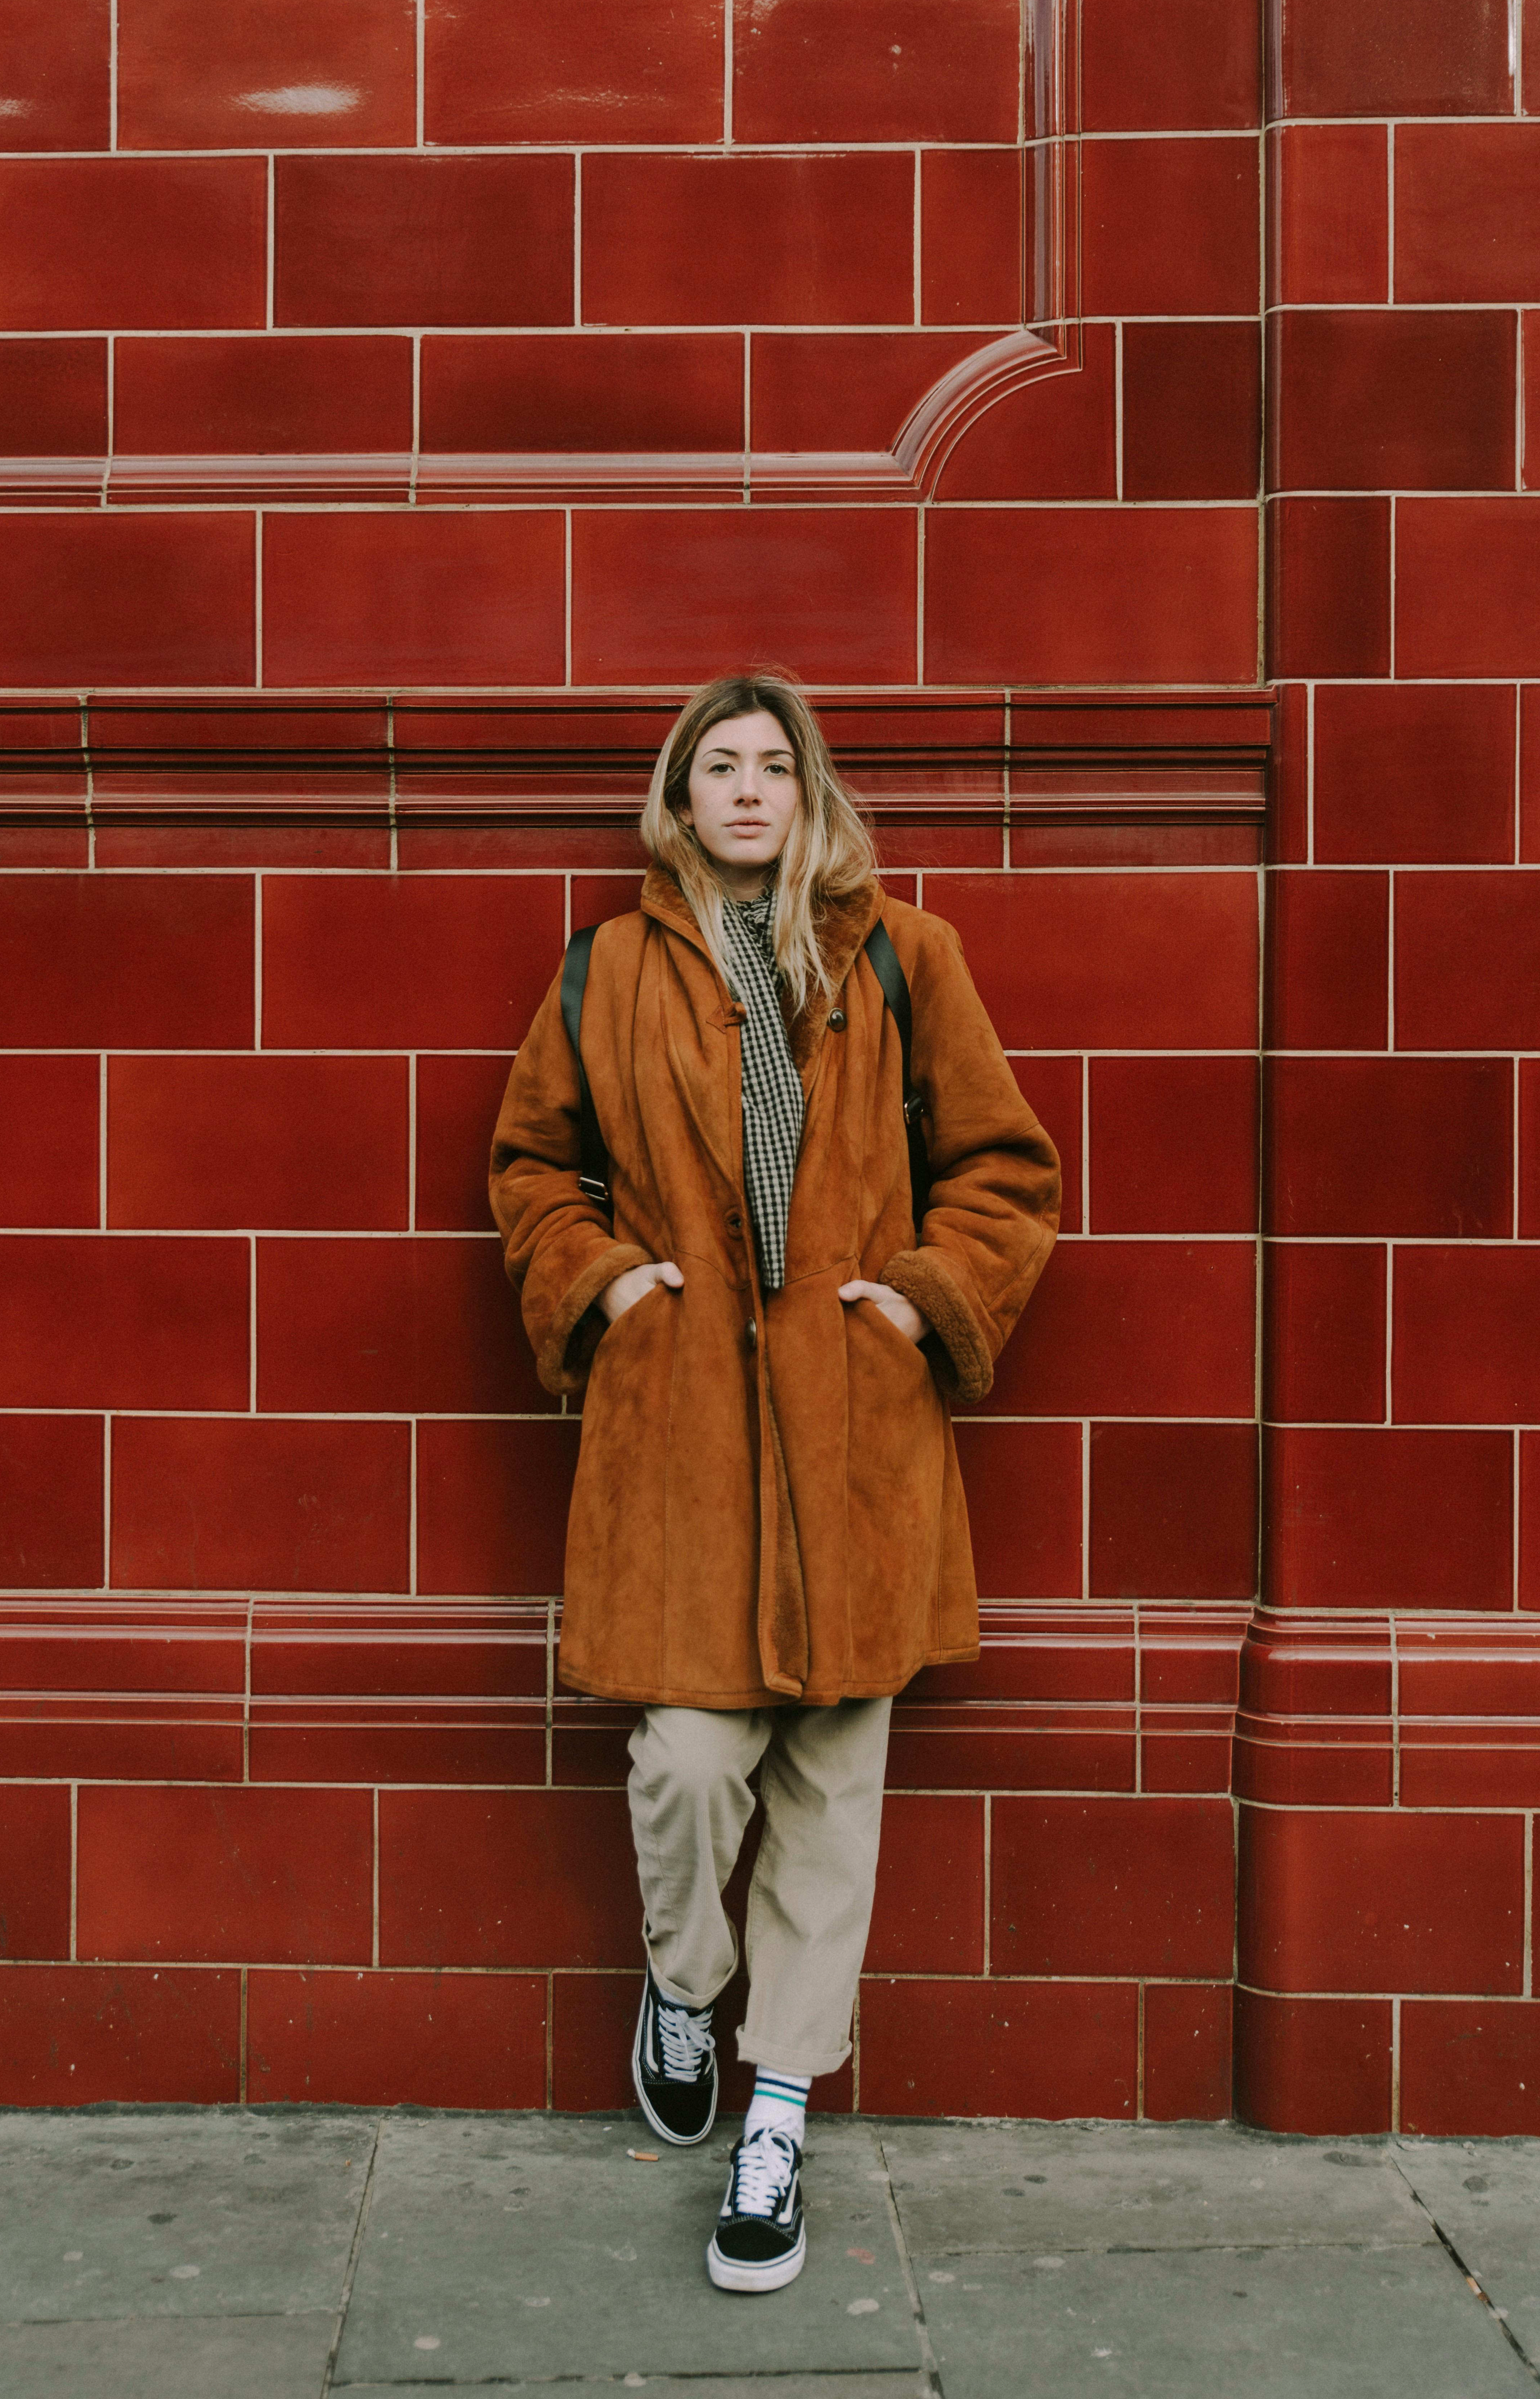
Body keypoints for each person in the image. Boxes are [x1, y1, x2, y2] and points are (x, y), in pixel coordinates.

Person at [489, 670, 1060, 2293]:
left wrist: (920, 1302)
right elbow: (531, 1166)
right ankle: (685, 1982)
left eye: (774, 766)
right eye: (718, 766)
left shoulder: (904, 955)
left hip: (854, 1433)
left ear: (810, 794)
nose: (748, 790)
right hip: (681, 1433)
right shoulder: (606, 967)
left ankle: (777, 2120)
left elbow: (1005, 1168)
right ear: (678, 798)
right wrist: (605, 1283)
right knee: (685, 1763)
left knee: (830, 1796)